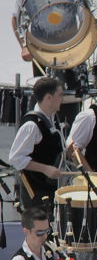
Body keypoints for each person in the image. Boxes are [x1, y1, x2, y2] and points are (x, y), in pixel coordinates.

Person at [9, 77, 65, 211]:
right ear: (49, 97)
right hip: (36, 193)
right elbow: (16, 158)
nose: (62, 99)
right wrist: (45, 169)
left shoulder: (52, 119)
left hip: (50, 190)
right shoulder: (32, 125)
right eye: (60, 95)